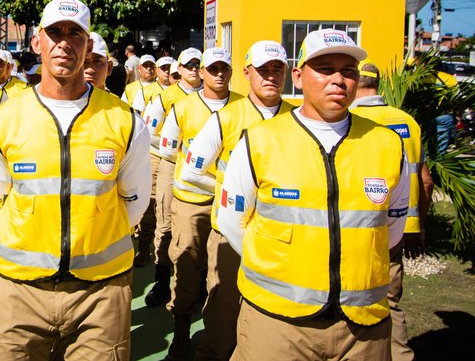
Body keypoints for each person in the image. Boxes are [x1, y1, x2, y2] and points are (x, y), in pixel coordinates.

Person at [218, 29, 410, 361]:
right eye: (324, 68)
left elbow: (391, 229)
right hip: (277, 323)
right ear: (298, 76)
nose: (338, 80)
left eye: (348, 71)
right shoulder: (260, 141)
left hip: (362, 328)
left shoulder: (388, 145)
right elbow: (233, 222)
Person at [0, 0, 151, 360]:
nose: (64, 42)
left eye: (76, 34)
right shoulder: (2, 120)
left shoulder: (126, 121)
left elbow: (134, 203)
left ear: (88, 47)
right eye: (54, 32)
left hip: (101, 294)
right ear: (37, 42)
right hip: (19, 292)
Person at [181, 40, 294, 361]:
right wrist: (226, 192)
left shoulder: (295, 117)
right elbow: (191, 170)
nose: (270, 77)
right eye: (263, 70)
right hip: (232, 233)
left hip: (280, 235)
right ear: (247, 74)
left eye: (277, 70)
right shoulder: (228, 117)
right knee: (223, 311)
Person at [158, 47, 243, 360]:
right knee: (188, 268)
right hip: (192, 203)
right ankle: (180, 338)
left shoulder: (242, 107)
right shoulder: (183, 107)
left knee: (221, 275)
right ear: (201, 72)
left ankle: (215, 340)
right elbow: (168, 152)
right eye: (212, 68)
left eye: (225, 68)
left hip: (231, 207)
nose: (219, 74)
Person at [351, 60, 434, 361]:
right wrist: (418, 225)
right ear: (378, 85)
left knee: (356, 297)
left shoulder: (349, 120)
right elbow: (424, 179)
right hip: (401, 228)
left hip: (361, 225)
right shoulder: (407, 121)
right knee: (390, 300)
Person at [140, 47, 203, 308]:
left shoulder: (209, 97)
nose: (194, 69)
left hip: (202, 173)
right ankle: (162, 282)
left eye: (198, 64)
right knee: (164, 223)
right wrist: (175, 149)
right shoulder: (167, 97)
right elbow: (150, 129)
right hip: (168, 162)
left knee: (195, 229)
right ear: (180, 68)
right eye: (189, 65)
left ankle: (197, 285)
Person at [129, 54, 175, 268]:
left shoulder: (184, 95)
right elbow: (139, 124)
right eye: (163, 68)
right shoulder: (145, 92)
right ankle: (144, 248)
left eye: (170, 69)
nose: (167, 73)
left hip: (178, 161)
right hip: (155, 155)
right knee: (153, 203)